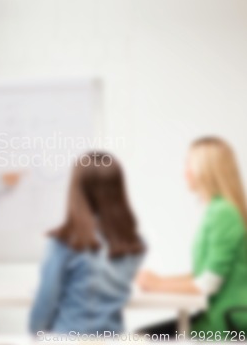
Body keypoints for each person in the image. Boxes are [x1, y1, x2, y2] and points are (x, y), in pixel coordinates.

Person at [137, 136, 247, 335]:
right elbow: (203, 274)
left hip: (225, 323)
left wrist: (157, 284)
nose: (185, 172)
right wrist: (159, 280)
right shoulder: (217, 210)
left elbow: (207, 284)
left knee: (139, 337)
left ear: (206, 170)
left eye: (189, 164)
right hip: (216, 317)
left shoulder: (223, 213)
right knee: (140, 335)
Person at [29, 152, 144, 334]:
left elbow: (46, 301)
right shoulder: (133, 243)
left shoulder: (65, 242)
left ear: (77, 190)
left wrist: (35, 335)